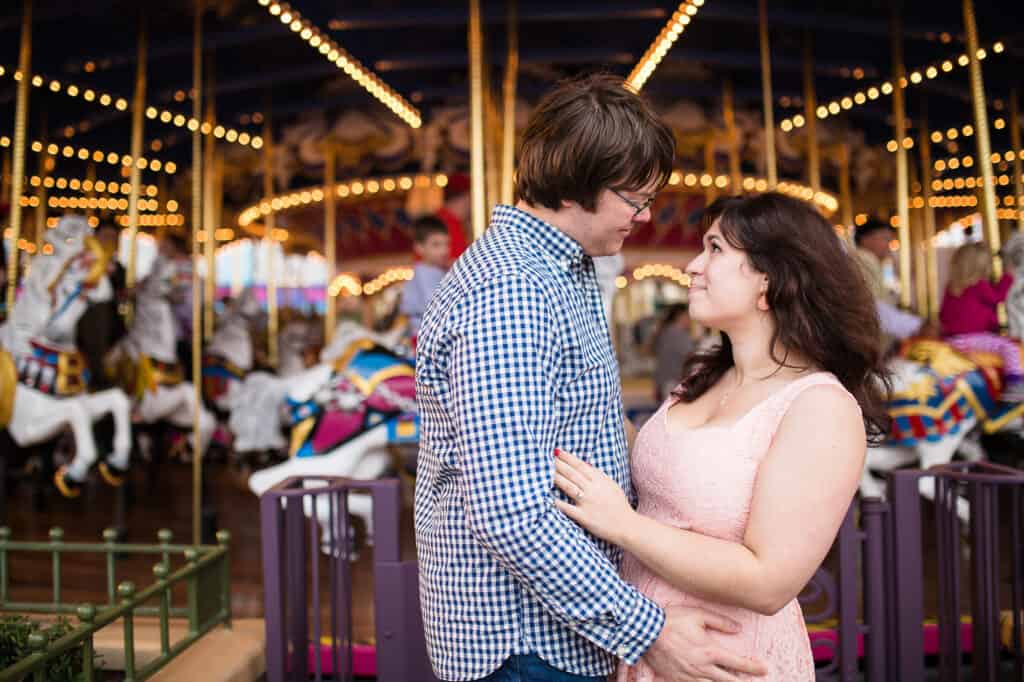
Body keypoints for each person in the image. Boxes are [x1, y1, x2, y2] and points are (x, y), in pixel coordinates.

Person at [415, 73, 767, 682]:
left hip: (557, 627)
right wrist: (648, 632)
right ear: (577, 185)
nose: (647, 214)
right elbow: (511, 512)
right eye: (634, 199)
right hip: (524, 638)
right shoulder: (512, 294)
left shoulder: (563, 271)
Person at [552, 193, 889, 681]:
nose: (693, 266)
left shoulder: (819, 407)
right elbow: (660, 466)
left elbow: (768, 580)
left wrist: (623, 525)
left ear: (769, 279)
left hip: (727, 659)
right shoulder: (704, 380)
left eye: (714, 250)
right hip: (650, 643)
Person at [938, 241, 1024, 399]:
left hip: (952, 339)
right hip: (971, 339)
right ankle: (1016, 385)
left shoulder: (951, 287)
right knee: (1010, 348)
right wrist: (1008, 276)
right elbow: (998, 298)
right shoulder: (979, 285)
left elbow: (942, 315)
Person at [852, 217, 929, 346]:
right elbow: (875, 307)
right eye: (884, 238)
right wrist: (914, 325)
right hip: (873, 338)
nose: (889, 243)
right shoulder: (865, 260)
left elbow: (891, 293)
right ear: (866, 239)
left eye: (890, 239)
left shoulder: (878, 263)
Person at [399, 215, 450, 338]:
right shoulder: (422, 272)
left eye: (447, 244)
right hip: (422, 336)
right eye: (436, 245)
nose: (444, 250)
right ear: (419, 248)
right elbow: (435, 305)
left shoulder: (438, 271)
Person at [651, 303, 695, 401]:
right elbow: (691, 356)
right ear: (680, 316)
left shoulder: (664, 332)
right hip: (675, 382)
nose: (691, 320)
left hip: (665, 382)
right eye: (688, 315)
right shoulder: (679, 334)